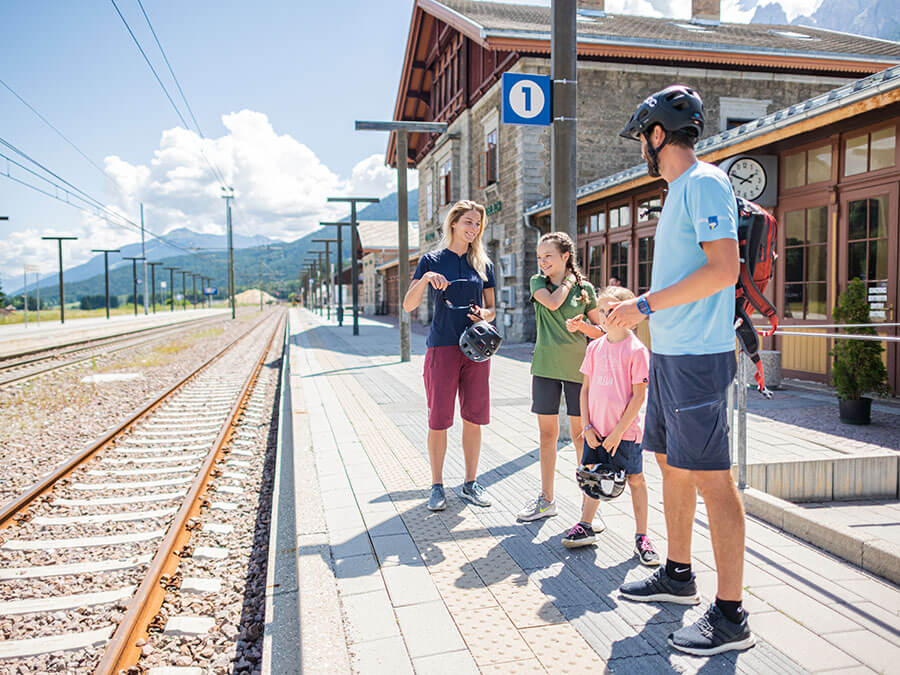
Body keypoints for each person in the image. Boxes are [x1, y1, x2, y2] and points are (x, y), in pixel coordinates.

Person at [608, 85, 753, 656]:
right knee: (671, 466)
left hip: (698, 357)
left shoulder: (704, 182)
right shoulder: (676, 192)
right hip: (672, 354)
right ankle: (678, 574)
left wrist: (643, 304)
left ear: (659, 134)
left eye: (644, 137)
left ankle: (732, 617)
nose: (642, 148)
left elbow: (723, 269)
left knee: (714, 478)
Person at [403, 200, 497, 512]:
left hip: (476, 349)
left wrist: (484, 313)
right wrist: (427, 278)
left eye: (477, 224)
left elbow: (492, 308)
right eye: (468, 222)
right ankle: (437, 485)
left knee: (474, 418)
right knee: (439, 419)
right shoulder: (432, 259)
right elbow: (408, 305)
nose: (473, 229)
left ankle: (470, 483)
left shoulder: (483, 264)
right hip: (442, 347)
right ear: (453, 223)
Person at [561, 286, 658, 568]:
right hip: (596, 431)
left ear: (627, 314)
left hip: (624, 434)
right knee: (592, 477)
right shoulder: (594, 347)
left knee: (635, 480)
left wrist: (617, 433)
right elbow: (585, 390)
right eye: (601, 310)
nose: (605, 315)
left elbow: (639, 396)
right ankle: (585, 525)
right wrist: (587, 426)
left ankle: (642, 536)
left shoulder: (637, 351)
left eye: (612, 310)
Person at [517, 232, 603, 522]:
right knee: (547, 436)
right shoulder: (538, 282)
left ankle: (587, 505)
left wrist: (582, 327)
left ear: (566, 256)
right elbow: (553, 303)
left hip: (580, 372)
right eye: (540, 257)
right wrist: (568, 281)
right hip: (544, 369)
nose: (542, 262)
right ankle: (546, 499)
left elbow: (600, 330)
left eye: (548, 256)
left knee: (581, 438)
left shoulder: (586, 290)